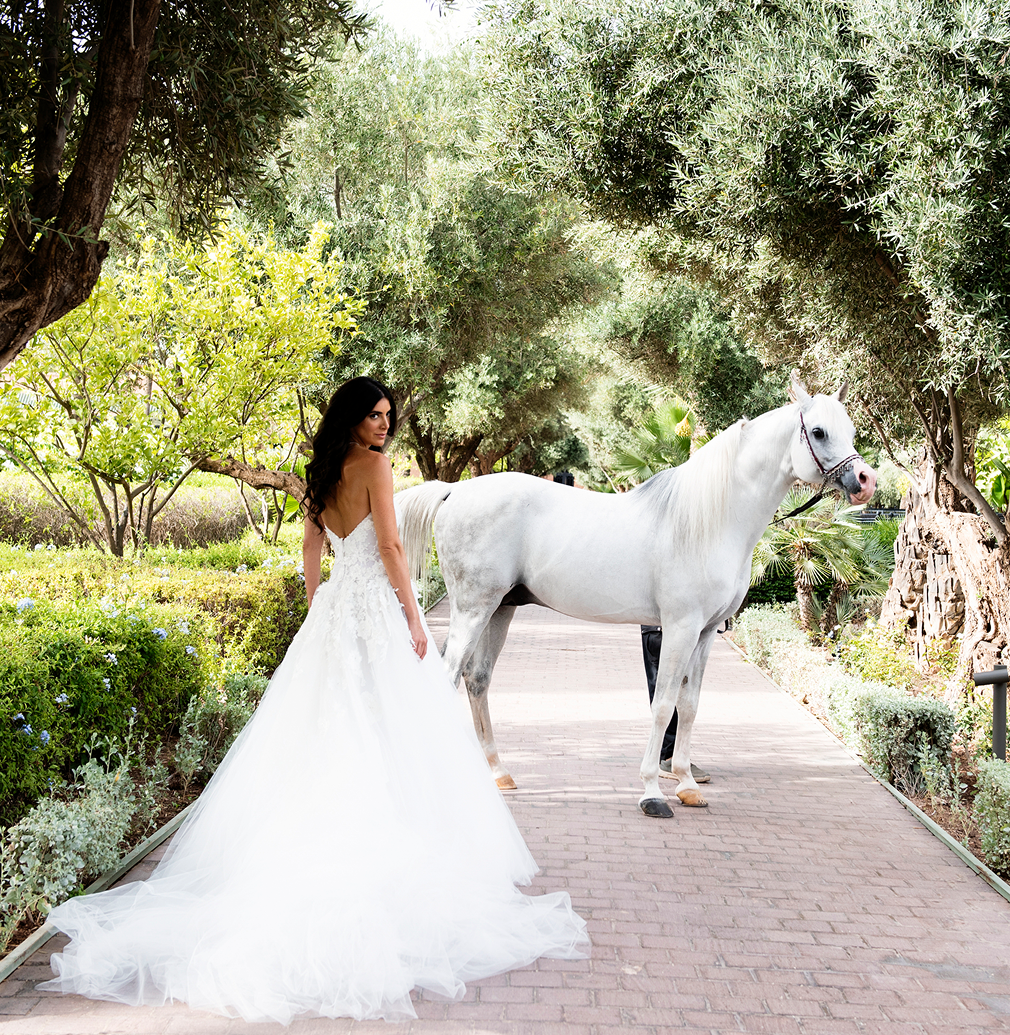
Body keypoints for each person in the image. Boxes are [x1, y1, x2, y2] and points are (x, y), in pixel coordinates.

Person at [42, 376, 588, 1024]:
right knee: (386, 732)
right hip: (372, 615)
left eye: (389, 416)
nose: (385, 425)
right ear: (353, 418)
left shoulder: (322, 470)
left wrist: (313, 605)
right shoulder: (376, 469)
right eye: (375, 415)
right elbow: (389, 546)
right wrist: (414, 617)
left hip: (333, 613)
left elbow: (310, 545)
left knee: (318, 731)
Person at [640, 625, 711, 783]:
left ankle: (670, 754)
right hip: (664, 632)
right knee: (668, 693)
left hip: (662, 631)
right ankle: (669, 756)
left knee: (674, 690)